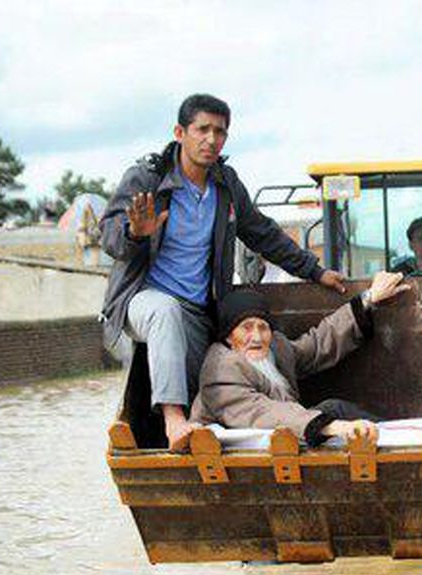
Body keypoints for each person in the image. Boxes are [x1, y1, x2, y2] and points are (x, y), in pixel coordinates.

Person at [98, 93, 347, 451]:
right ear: (180, 132)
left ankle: (204, 440)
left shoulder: (225, 186)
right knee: (164, 311)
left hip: (198, 308)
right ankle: (173, 420)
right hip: (142, 302)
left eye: (220, 132)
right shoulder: (147, 179)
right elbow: (109, 237)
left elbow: (261, 232)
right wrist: (136, 233)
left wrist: (315, 271)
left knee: (211, 381)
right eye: (202, 129)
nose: (211, 140)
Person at [191, 272, 410, 446]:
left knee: (334, 407)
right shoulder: (220, 369)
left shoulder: (276, 348)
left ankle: (404, 438)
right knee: (331, 417)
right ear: (229, 336)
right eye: (246, 328)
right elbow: (262, 412)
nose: (257, 337)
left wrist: (369, 298)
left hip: (286, 436)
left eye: (263, 327)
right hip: (241, 455)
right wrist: (331, 427)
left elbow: (318, 345)